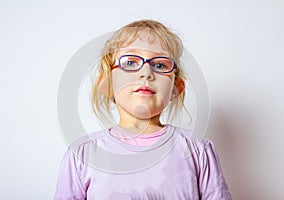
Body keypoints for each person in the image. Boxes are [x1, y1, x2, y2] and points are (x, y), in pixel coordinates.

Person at [54, 19, 232, 200]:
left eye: (160, 65)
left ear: (176, 88)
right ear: (107, 84)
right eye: (130, 62)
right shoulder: (82, 155)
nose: (146, 72)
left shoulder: (198, 151)